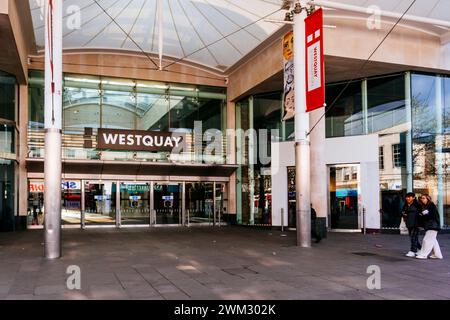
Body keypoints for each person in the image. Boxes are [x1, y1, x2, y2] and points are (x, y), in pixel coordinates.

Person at [415, 195, 443, 260]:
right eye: (421, 198)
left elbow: (432, 216)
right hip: (430, 226)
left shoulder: (431, 206)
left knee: (427, 240)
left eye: (424, 198)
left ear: (428, 199)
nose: (422, 199)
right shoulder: (426, 206)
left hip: (432, 226)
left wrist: (422, 214)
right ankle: (437, 255)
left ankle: (423, 254)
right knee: (433, 241)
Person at [401, 192, 422, 257]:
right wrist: (403, 214)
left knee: (413, 237)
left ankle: (413, 251)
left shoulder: (417, 205)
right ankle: (420, 249)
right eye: (407, 197)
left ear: (413, 198)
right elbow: (402, 212)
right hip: (409, 224)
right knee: (413, 238)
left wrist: (420, 224)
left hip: (416, 224)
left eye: (409, 197)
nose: (408, 198)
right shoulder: (405, 205)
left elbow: (421, 214)